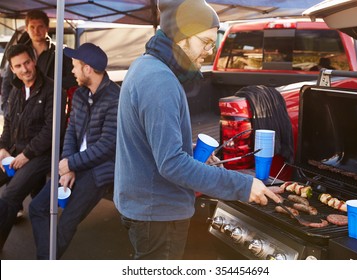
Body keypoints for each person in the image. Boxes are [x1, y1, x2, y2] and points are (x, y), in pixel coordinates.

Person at [114, 0, 280, 260]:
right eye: (204, 42)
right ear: (181, 38)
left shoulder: (144, 65)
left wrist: (189, 150)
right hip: (158, 214)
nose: (209, 51)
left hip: (143, 206)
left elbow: (150, 140)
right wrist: (242, 185)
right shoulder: (160, 80)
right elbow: (171, 164)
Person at [29, 43, 120, 259]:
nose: (72, 71)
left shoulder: (116, 98)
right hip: (74, 164)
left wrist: (72, 164)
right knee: (36, 208)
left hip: (98, 171)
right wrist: (68, 165)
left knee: (65, 225)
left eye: (74, 66)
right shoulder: (79, 95)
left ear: (87, 69)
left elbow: (108, 145)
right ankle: (46, 260)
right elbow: (71, 131)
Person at [0, 44, 65, 250]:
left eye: (27, 62)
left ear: (34, 61)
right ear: (12, 68)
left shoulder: (54, 90)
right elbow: (8, 124)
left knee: (11, 195)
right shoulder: (16, 90)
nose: (24, 69)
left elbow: (51, 130)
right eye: (18, 66)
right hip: (15, 152)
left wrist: (26, 154)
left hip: (41, 155)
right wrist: (2, 148)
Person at [1, 9, 76, 115]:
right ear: (26, 29)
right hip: (22, 110)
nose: (36, 31)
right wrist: (6, 108)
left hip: (49, 109)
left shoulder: (60, 53)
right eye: (32, 27)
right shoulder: (18, 53)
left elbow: (74, 78)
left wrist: (51, 84)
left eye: (40, 26)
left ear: (47, 28)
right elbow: (7, 81)